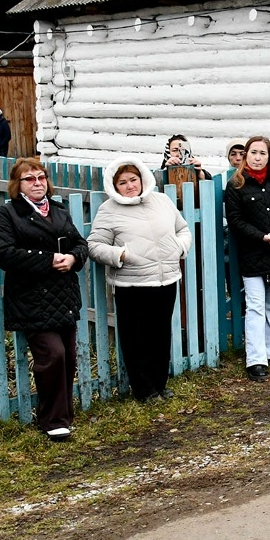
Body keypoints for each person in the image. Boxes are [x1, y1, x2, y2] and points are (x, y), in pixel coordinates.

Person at [0, 158, 89, 440]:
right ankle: (52, 420)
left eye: (41, 177)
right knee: (52, 355)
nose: (37, 183)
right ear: (17, 184)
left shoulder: (58, 210)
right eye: (29, 178)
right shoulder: (9, 214)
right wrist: (48, 260)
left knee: (68, 356)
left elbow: (80, 244)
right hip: (31, 299)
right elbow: (4, 253)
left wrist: (72, 258)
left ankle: (64, 416)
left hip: (64, 295)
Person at [87, 157, 193, 400]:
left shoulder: (162, 201)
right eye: (122, 182)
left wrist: (179, 247)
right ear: (114, 186)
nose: (130, 185)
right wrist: (120, 255)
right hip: (132, 284)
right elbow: (94, 245)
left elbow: (183, 229)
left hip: (165, 280)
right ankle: (144, 390)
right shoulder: (109, 210)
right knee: (136, 339)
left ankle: (160, 384)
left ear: (143, 178)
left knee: (161, 334)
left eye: (133, 179)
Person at [224, 137, 270, 381]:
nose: (257, 157)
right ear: (246, 155)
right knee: (256, 305)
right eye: (253, 152)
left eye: (262, 153)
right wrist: (262, 237)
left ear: (269, 156)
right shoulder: (236, 185)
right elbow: (235, 221)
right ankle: (255, 359)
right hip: (253, 253)